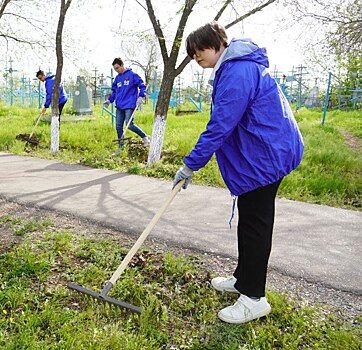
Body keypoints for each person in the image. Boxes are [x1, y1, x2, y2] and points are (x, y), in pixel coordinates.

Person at [173, 21, 304, 324]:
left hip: (266, 156)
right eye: (192, 55)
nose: (197, 58)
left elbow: (221, 125)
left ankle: (254, 298)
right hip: (263, 153)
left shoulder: (237, 71)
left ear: (218, 43)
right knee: (249, 222)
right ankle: (242, 280)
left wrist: (191, 163)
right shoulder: (235, 66)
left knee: (255, 226)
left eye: (199, 51)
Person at [104, 58, 150, 154]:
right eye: (115, 69)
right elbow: (114, 92)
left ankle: (145, 137)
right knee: (118, 126)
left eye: (117, 68)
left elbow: (142, 86)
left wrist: (141, 96)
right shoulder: (117, 79)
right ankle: (121, 146)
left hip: (130, 104)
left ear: (122, 65)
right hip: (120, 106)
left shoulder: (132, 75)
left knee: (130, 125)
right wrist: (109, 101)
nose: (116, 70)